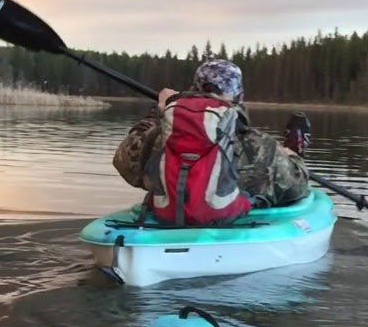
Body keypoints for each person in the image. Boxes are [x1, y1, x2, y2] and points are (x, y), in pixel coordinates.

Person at [112, 58, 312, 225]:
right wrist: (292, 156)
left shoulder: (158, 138)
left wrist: (159, 114)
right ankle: (295, 149)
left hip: (168, 224)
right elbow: (297, 188)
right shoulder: (259, 146)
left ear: (193, 89)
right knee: (278, 181)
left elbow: (123, 160)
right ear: (240, 96)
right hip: (228, 229)